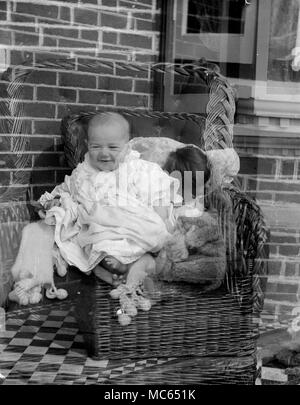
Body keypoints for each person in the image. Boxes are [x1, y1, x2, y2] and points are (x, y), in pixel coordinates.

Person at [39, 112, 182, 286]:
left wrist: (163, 219)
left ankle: (134, 261)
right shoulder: (83, 172)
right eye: (96, 147)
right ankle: (117, 267)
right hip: (99, 226)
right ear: (87, 145)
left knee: (150, 232)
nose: (104, 153)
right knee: (90, 240)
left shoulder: (138, 169)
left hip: (134, 221)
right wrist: (56, 199)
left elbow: (158, 192)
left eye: (113, 148)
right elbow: (67, 189)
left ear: (127, 147)